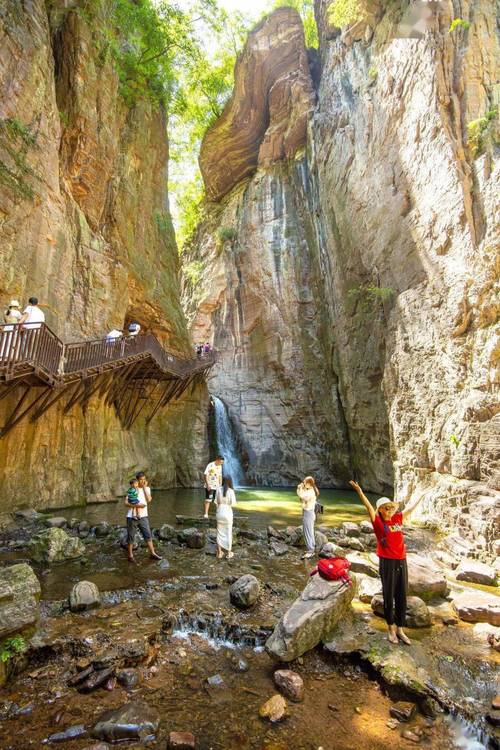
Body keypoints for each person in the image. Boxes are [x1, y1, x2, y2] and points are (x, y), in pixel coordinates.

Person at [349, 480, 425, 645]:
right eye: (386, 508)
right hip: (387, 562)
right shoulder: (378, 523)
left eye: (391, 507)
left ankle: (400, 629)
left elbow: (410, 509)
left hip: (401, 561)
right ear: (381, 511)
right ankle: (390, 629)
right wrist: (360, 492)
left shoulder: (397, 518)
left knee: (401, 596)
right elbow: (369, 507)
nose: (390, 510)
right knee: (389, 595)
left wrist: (421, 497)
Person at [125, 471, 162, 563]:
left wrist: (145, 487)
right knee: (131, 536)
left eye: (144, 479)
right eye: (141, 480)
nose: (142, 481)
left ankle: (152, 553)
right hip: (131, 516)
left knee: (148, 535)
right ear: (137, 480)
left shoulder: (147, 489)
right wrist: (138, 506)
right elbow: (126, 503)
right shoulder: (132, 489)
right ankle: (130, 555)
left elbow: (149, 499)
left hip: (143, 516)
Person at [297, 476, 320, 559]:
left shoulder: (310, 492)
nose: (303, 484)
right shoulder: (311, 490)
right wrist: (301, 489)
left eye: (304, 482)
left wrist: (299, 489)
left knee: (307, 532)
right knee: (310, 531)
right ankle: (312, 548)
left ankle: (310, 551)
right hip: (310, 513)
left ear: (309, 483)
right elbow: (302, 497)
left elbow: (302, 497)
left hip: (308, 513)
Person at [216, 475, 237, 559]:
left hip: (220, 511)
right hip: (228, 512)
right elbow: (233, 504)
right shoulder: (231, 491)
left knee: (219, 532)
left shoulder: (218, 489)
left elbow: (216, 502)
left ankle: (220, 552)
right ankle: (229, 552)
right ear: (230, 482)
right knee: (228, 532)